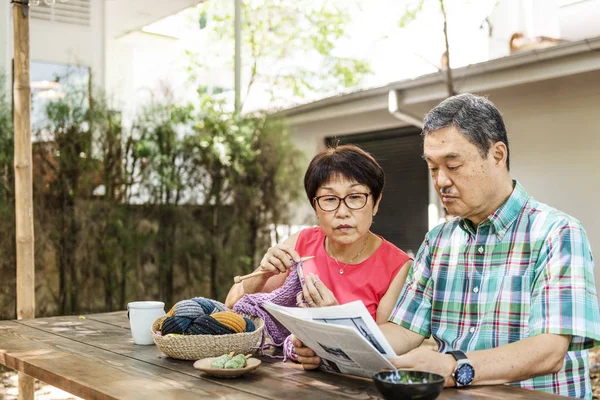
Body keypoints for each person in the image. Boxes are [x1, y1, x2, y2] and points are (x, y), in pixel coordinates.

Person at [293, 94, 600, 399]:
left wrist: (454, 367)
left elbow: (549, 351)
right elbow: (404, 331)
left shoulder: (557, 233)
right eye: (433, 168)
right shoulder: (438, 242)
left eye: (453, 164)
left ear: (497, 155)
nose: (441, 181)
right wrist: (335, 345)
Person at [225, 144, 412, 324]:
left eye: (355, 197)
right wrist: (262, 274)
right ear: (315, 207)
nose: (342, 212)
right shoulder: (300, 244)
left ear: (376, 202)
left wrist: (337, 319)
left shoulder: (397, 268)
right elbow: (231, 305)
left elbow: (385, 346)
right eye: (330, 199)